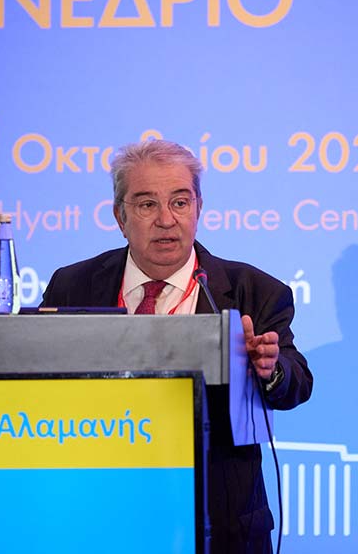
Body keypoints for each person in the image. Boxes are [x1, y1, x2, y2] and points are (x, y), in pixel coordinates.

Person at [41, 139, 313, 554]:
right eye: (147, 204)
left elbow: (297, 381)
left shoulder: (252, 290)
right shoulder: (72, 284)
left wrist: (269, 368)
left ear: (198, 209)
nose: (166, 220)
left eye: (180, 203)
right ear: (120, 216)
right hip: (101, 511)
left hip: (221, 520)